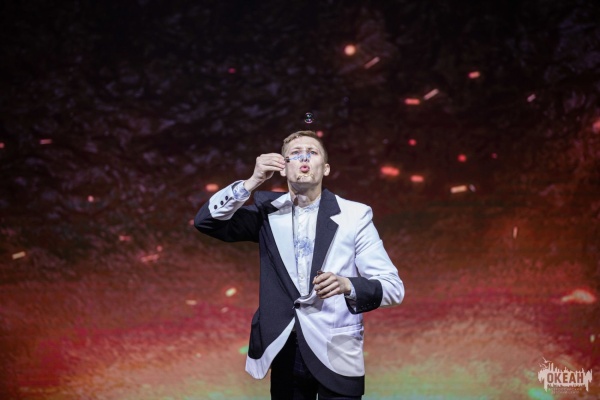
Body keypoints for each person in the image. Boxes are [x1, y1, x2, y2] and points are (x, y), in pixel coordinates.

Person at [194, 130, 404, 399]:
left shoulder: (355, 216)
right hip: (285, 349)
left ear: (325, 168)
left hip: (336, 350)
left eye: (312, 153)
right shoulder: (268, 213)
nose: (304, 158)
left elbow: (392, 288)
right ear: (283, 167)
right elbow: (206, 222)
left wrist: (346, 284)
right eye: (295, 154)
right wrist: (252, 181)